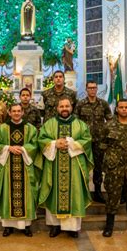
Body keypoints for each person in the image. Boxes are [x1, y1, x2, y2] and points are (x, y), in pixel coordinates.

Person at [38, 97, 93, 238]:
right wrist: (54, 143)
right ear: (57, 108)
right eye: (61, 106)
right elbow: (41, 139)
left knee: (73, 193)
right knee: (54, 192)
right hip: (54, 165)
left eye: (67, 106)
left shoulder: (80, 124)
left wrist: (71, 143)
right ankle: (55, 226)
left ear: (71, 107)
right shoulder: (49, 124)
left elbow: (86, 140)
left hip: (74, 166)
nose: (64, 109)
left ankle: (72, 228)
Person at [0, 104, 39, 237]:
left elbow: (35, 145)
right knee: (7, 193)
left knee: (26, 195)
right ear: (9, 113)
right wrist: (7, 148)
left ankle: (26, 226)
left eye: (19, 111)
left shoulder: (31, 129)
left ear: (23, 112)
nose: (16, 113)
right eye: (14, 111)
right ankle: (8, 226)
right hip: (7, 167)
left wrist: (23, 149)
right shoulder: (2, 128)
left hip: (25, 167)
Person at [100, 99, 127, 237]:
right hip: (115, 167)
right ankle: (109, 225)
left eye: (126, 107)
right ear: (117, 109)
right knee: (113, 196)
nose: (124, 109)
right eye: (121, 107)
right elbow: (103, 145)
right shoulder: (109, 126)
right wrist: (113, 157)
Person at [74, 81, 112, 203]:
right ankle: (82, 192)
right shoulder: (80, 104)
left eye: (94, 88)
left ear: (97, 89)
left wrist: (108, 137)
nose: (92, 90)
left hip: (99, 140)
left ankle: (97, 191)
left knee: (98, 167)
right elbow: (75, 123)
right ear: (86, 90)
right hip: (84, 141)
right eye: (90, 88)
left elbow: (110, 121)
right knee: (82, 166)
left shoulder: (103, 104)